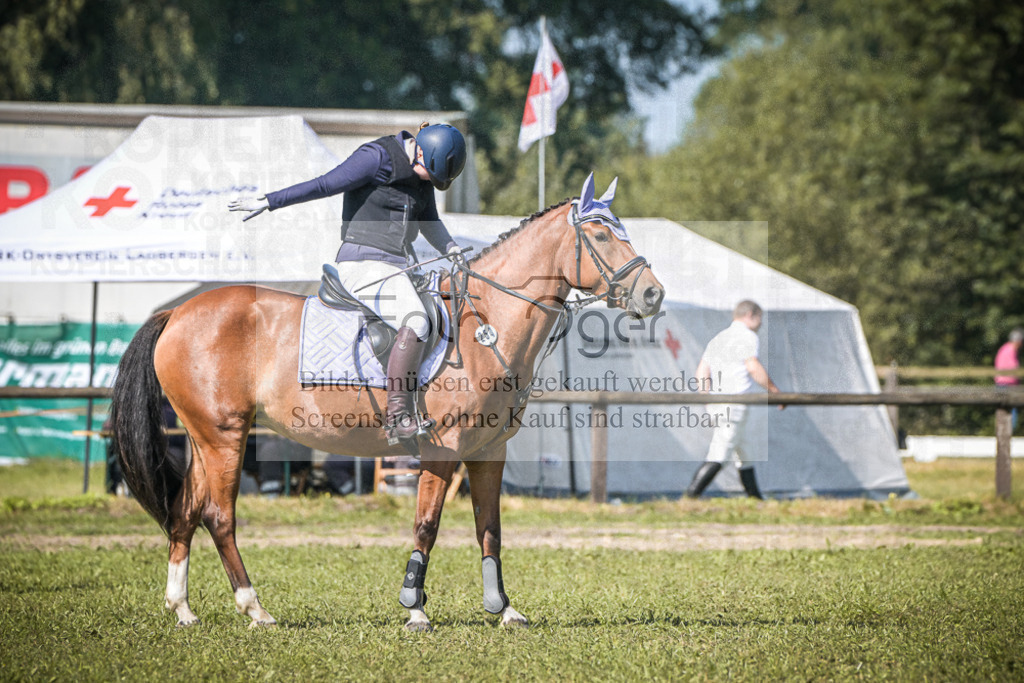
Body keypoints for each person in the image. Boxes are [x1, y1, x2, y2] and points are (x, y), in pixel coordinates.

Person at [228, 123, 467, 442]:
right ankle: (398, 416)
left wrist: (451, 249)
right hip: (363, 263)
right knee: (417, 321)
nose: (427, 181)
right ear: (419, 150)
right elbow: (325, 184)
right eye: (427, 173)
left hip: (399, 267)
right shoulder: (377, 157)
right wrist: (271, 201)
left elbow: (430, 221)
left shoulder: (424, 170)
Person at [686, 300, 784, 499]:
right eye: (760, 319)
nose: (761, 324)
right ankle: (688, 498)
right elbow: (752, 366)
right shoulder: (747, 336)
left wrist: (707, 399)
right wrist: (774, 391)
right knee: (719, 453)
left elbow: (702, 371)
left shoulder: (719, 338)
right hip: (735, 405)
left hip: (717, 403)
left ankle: (756, 500)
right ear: (750, 315)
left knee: (745, 454)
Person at [995, 327, 1023, 430]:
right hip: (1007, 384)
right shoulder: (1010, 350)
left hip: (1004, 384)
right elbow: (1014, 368)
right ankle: (1009, 432)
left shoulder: (1005, 348)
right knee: (1010, 411)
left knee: (1003, 411)